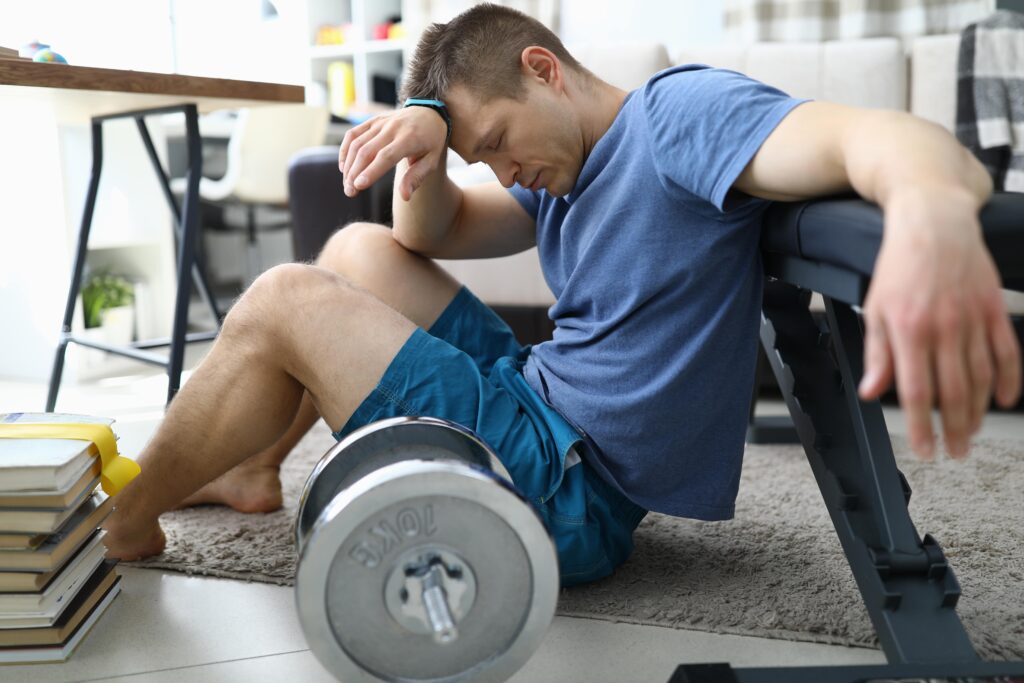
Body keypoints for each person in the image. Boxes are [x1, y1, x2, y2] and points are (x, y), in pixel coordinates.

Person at [103, 4, 1021, 586]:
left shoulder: (679, 121)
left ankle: (127, 520)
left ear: (544, 69)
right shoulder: (562, 174)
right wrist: (431, 132)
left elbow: (879, 136)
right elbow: (420, 236)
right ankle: (254, 466)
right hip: (538, 407)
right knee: (352, 247)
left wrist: (931, 212)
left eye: (498, 137)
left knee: (280, 299)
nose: (504, 168)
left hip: (566, 486)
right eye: (485, 157)